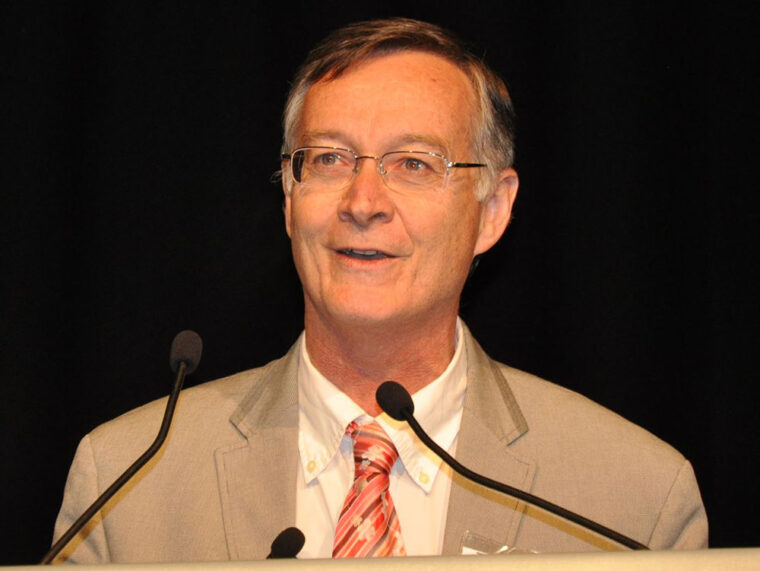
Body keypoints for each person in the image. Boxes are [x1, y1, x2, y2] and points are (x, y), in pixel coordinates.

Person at [51, 18, 707, 562]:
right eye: (329, 158)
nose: (363, 202)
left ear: (493, 209)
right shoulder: (126, 484)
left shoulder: (634, 500)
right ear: (288, 194)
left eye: (415, 164)